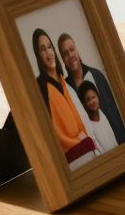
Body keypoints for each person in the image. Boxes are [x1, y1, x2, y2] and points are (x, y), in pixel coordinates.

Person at [32, 28, 96, 168]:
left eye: (50, 47)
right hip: (70, 155)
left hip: (85, 143)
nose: (48, 52)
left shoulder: (63, 81)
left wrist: (85, 136)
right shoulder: (41, 87)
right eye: (43, 49)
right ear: (38, 55)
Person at [58, 33, 125, 145]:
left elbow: (114, 114)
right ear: (62, 59)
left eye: (72, 49)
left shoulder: (96, 75)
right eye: (65, 53)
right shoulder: (66, 89)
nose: (70, 55)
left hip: (113, 142)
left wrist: (124, 145)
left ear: (77, 50)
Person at [76, 82, 119, 154]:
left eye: (93, 97)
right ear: (84, 104)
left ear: (97, 96)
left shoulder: (101, 113)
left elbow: (112, 137)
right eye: (88, 100)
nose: (92, 101)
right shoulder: (88, 126)